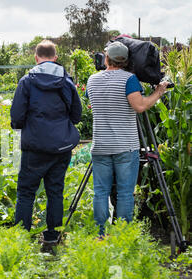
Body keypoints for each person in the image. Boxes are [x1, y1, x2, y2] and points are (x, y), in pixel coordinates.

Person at [86, 41, 169, 237]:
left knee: (100, 192)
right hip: (125, 146)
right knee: (124, 193)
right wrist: (158, 92)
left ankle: (100, 235)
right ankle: (122, 236)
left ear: (107, 58)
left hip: (100, 145)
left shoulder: (92, 80)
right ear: (126, 61)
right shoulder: (130, 79)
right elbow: (140, 106)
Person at [11, 40, 82, 244]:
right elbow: (76, 115)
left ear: (36, 57)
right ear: (55, 58)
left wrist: (23, 127)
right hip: (61, 146)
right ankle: (52, 238)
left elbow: (17, 115)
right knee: (55, 192)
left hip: (34, 146)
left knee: (26, 192)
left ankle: (21, 238)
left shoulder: (27, 81)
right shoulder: (67, 82)